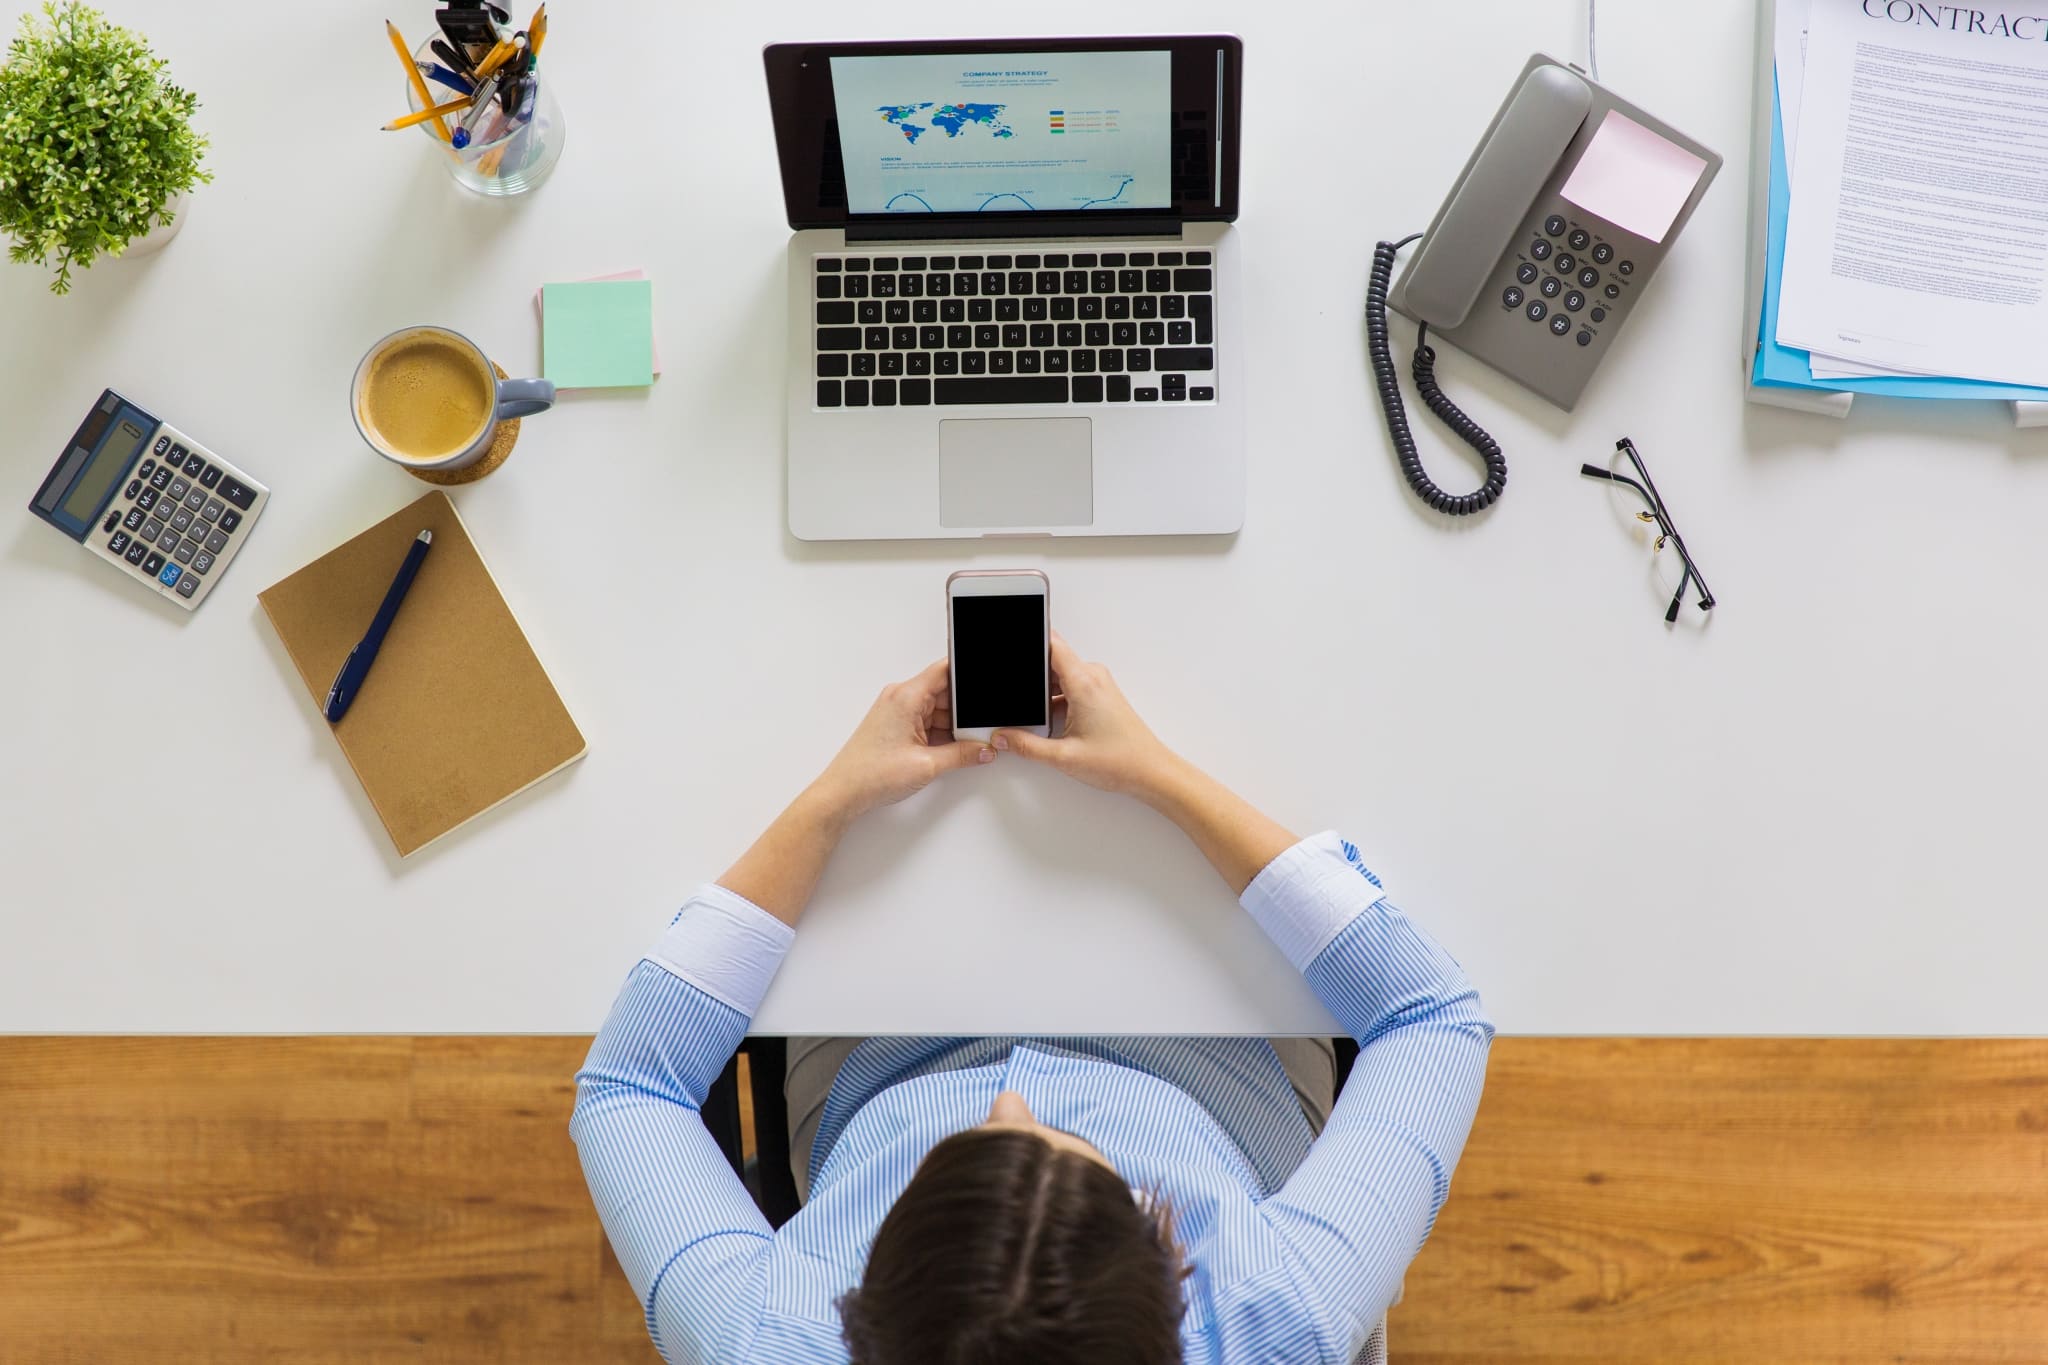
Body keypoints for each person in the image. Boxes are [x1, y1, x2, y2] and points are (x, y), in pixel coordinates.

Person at [571, 635, 1493, 1365]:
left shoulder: (770, 1339)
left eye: (965, 1151)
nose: (1009, 1100)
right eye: (1077, 1152)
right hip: (1219, 1053)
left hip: (883, 1045)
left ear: (855, 1315)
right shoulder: (1278, 1314)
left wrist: (831, 803)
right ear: (1175, 1272)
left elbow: (628, 1089)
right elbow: (1429, 1017)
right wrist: (1159, 775)